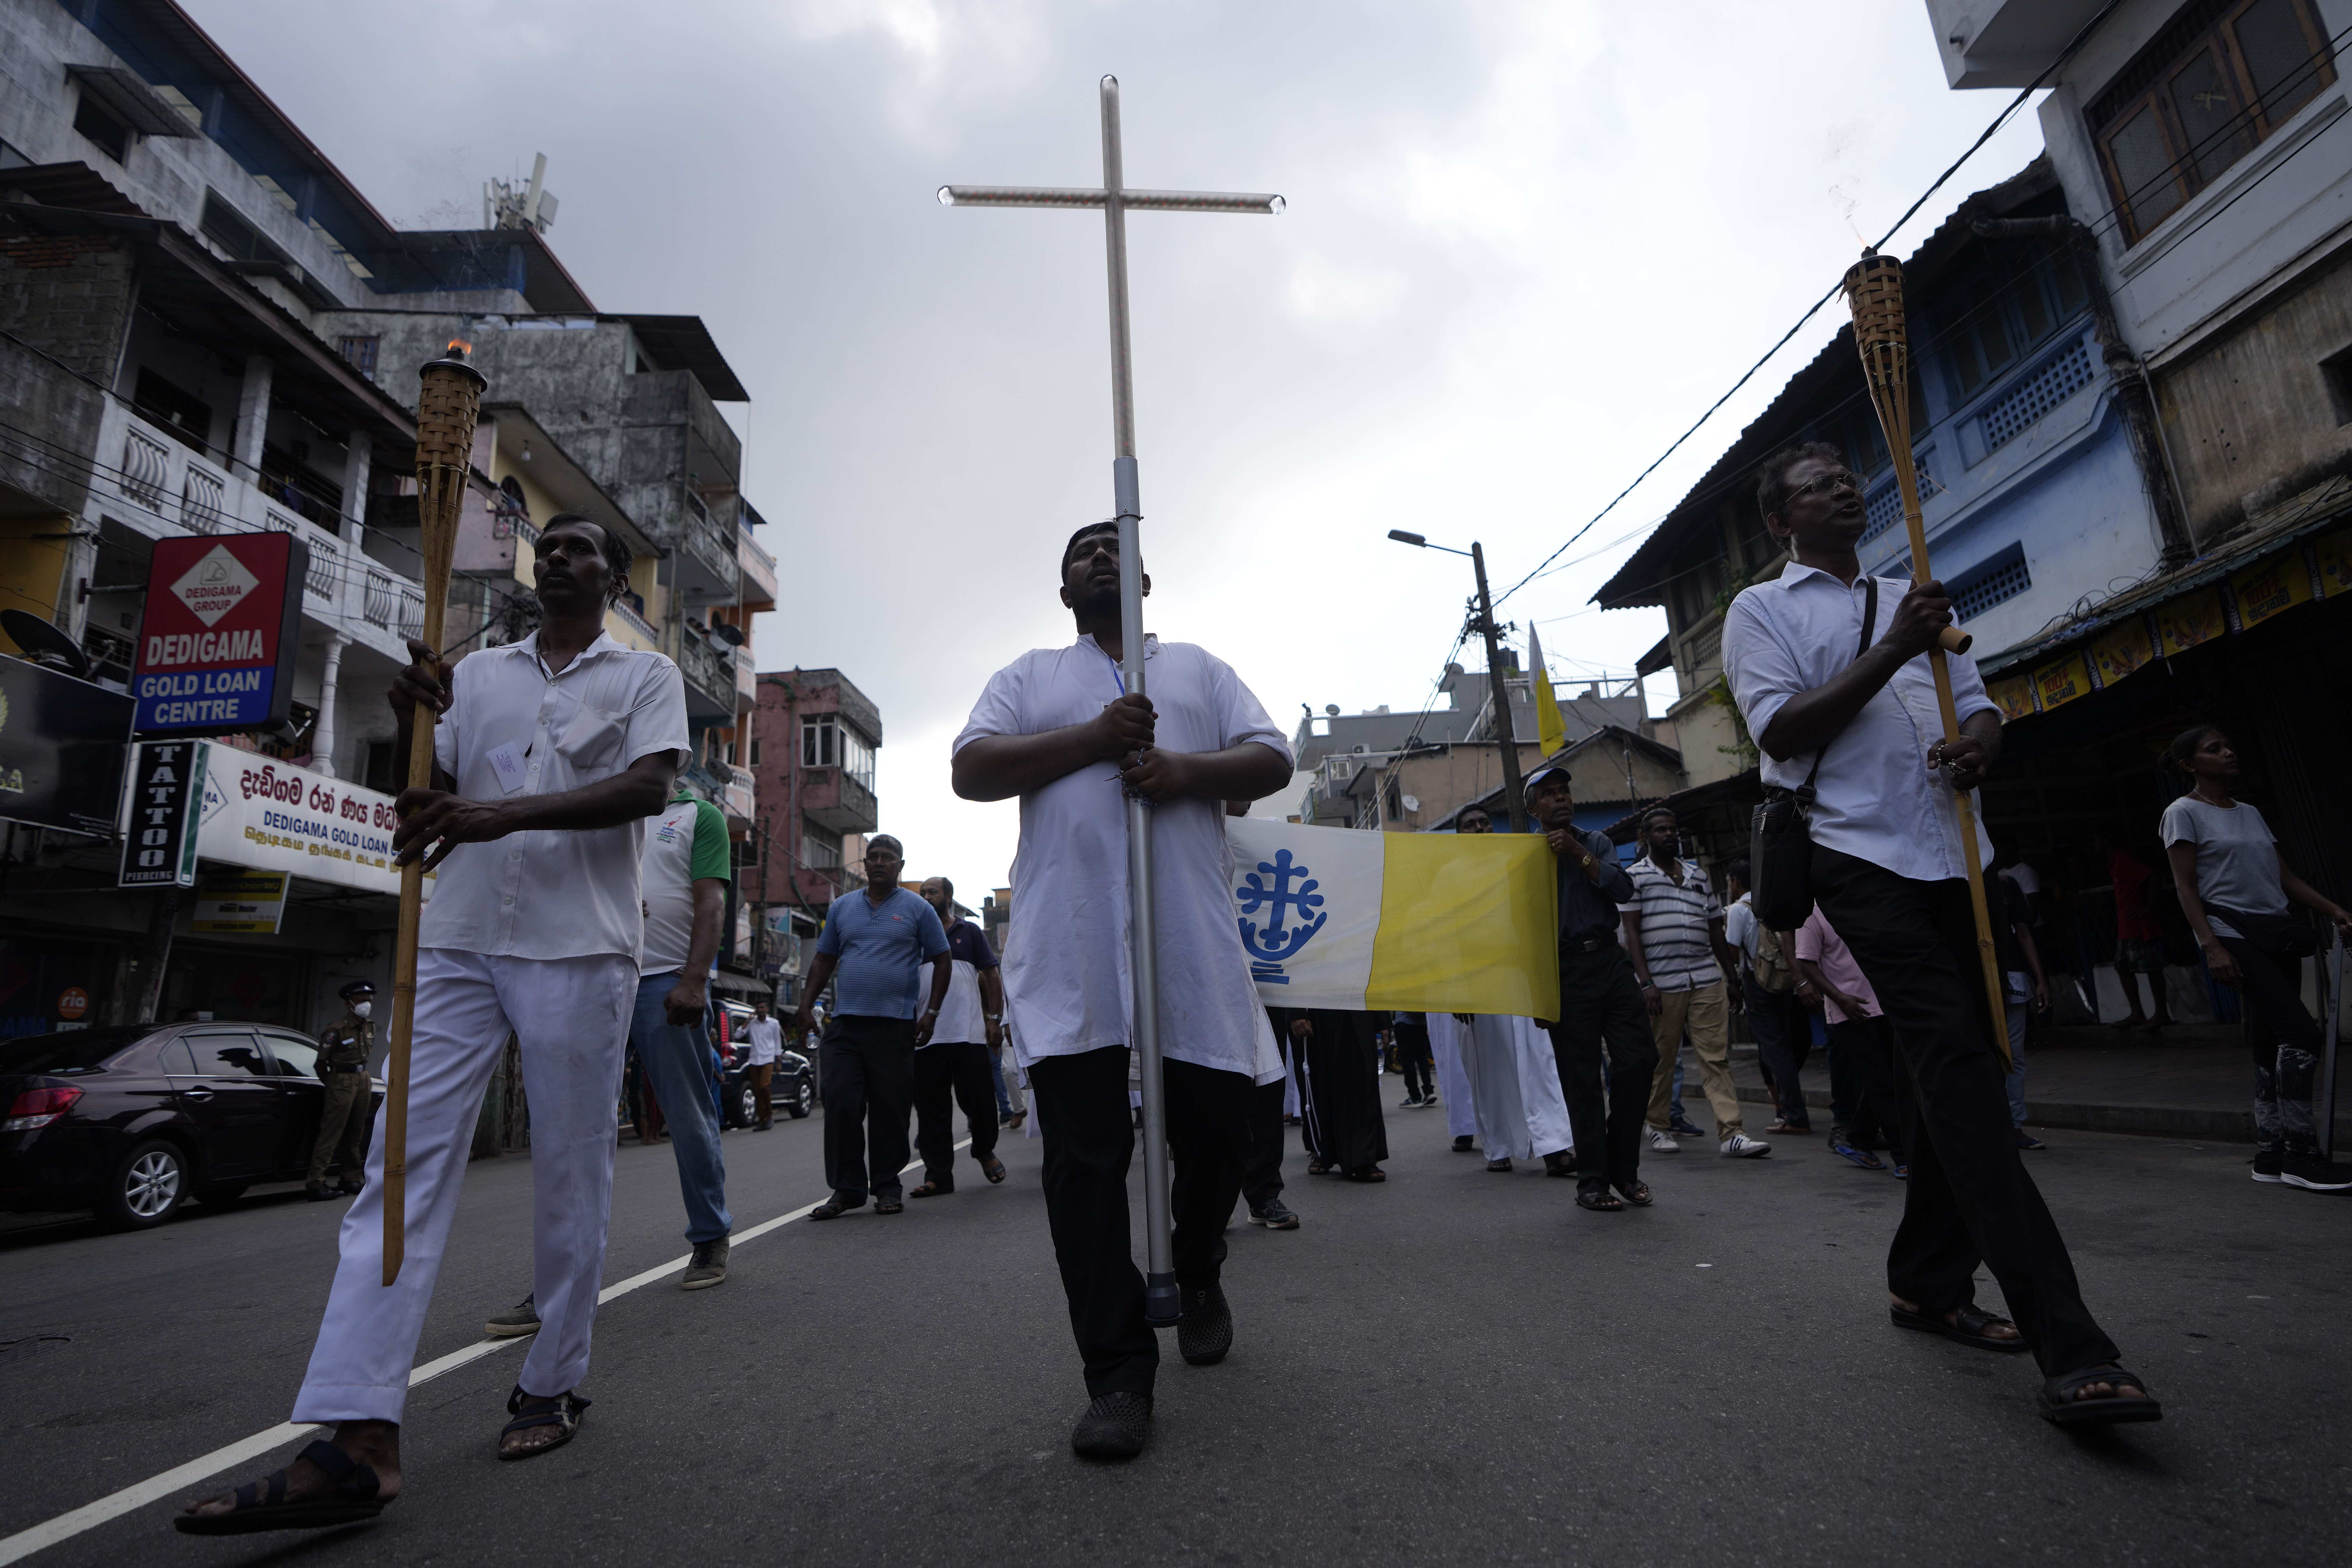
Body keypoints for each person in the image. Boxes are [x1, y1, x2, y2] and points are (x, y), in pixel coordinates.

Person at [181, 515, 689, 1535]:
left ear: (614, 579)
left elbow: (649, 785)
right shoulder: (478, 673)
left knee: (570, 1172)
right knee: (396, 1167)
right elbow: (433, 799)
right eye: (545, 546)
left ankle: (551, 1380)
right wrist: (420, 729)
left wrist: (498, 818)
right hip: (454, 937)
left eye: (579, 548)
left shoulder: (645, 676)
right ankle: (358, 1433)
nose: (555, 557)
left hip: (578, 947)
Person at [1723, 440, 2156, 1426]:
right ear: (1779, 521)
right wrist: (1890, 645)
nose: (1843, 485)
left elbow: (1981, 705)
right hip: (1853, 854)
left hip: (1955, 855)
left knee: (1952, 1068)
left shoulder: (1914, 595)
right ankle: (2071, 1341)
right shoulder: (1765, 611)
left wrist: (1976, 749)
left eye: (1848, 475)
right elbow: (1781, 733)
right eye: (1815, 483)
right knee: (1962, 1066)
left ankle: (1924, 1278)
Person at [951, 520, 1292, 1458]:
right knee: (1085, 1169)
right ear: (1064, 591)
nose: (1099, 557)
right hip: (1075, 952)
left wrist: (1183, 770)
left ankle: (1197, 1263)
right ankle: (1116, 1375)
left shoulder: (1195, 669)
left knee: (1223, 1128)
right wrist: (1096, 739)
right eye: (1080, 552)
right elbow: (972, 768)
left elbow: (1270, 757)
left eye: (1114, 545)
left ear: (1146, 573)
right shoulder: (1028, 677)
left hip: (1189, 945)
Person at [2159, 725, 2352, 1193]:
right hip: (2232, 933)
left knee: (2270, 1041)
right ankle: (2303, 1156)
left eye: (2228, 745)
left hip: (2276, 933)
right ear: (2190, 765)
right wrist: (2212, 946)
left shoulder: (2249, 813)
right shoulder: (2181, 813)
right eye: (2214, 750)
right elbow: (2186, 888)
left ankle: (2271, 1153)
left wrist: (2333, 909)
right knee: (2303, 1033)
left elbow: (2283, 875)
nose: (2229, 753)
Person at [795, 836, 952, 1220]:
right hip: (846, 1024)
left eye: (889, 858)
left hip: (894, 1027)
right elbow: (824, 959)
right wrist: (804, 1006)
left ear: (901, 866)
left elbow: (943, 960)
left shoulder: (918, 908)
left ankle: (886, 1186)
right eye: (874, 857)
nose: (880, 863)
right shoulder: (843, 908)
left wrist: (931, 1013)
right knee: (841, 1103)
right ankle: (847, 1190)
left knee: (890, 1110)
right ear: (865, 864)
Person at [1522, 767, 1652, 1212]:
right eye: (1549, 795)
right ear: (1532, 808)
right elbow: (1519, 930)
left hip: (1610, 965)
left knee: (1638, 1062)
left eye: (1565, 793)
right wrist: (1536, 994)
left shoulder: (1595, 843)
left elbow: (1622, 887)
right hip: (1564, 973)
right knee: (1582, 1083)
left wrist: (1577, 852)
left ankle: (1624, 1168)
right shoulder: (1524, 857)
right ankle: (1593, 1183)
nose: (1561, 800)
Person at [633, 782, 736, 1288]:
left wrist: (694, 978)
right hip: (596, 974)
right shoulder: (601, 810)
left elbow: (711, 901)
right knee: (575, 1127)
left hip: (666, 978)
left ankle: (710, 1235)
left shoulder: (698, 815)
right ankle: (561, 1272)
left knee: (688, 1113)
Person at [1622, 808, 1765, 1159]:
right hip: (1662, 984)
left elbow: (1716, 929)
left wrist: (1731, 977)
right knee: (1662, 1058)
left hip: (1705, 978)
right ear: (1646, 838)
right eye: (1660, 830)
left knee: (1716, 1057)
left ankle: (1732, 1132)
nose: (1670, 835)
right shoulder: (1635, 877)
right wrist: (1645, 983)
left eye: (1673, 829)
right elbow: (1631, 932)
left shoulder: (1698, 875)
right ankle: (1657, 1125)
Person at [910, 875, 1010, 1197]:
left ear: (948, 897)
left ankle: (984, 1149)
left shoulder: (969, 932)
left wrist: (995, 1019)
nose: (926, 896)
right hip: (927, 1038)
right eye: (922, 892)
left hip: (969, 1035)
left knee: (981, 1102)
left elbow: (992, 975)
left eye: (932, 892)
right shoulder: (915, 936)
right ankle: (939, 1175)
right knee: (932, 1110)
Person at [1794, 904, 1907, 1176]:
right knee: (1882, 1083)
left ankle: (1857, 1139)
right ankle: (1904, 1156)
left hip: (1886, 1004)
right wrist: (1841, 999)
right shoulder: (1812, 913)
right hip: (1849, 1011)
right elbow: (1806, 962)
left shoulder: (1862, 899)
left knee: (1886, 1078)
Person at [1724, 860, 1810, 1134]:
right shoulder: (1771, 903)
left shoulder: (1739, 910)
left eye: (1730, 882)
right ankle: (1790, 1108)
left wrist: (1733, 983)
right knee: (1783, 1045)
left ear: (1736, 883)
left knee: (1775, 1051)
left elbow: (1732, 951)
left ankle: (1795, 1116)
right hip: (1784, 981)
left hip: (1757, 983)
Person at [1273, 1008, 1389, 1180]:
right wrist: (1296, 1013)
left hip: (1356, 1003)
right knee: (1317, 1078)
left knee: (1361, 1080)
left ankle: (1364, 1158)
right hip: (1314, 1005)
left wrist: (1382, 1019)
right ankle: (1322, 1151)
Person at [1992, 866, 2050, 1150]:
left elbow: (2024, 932)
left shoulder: (2005, 885)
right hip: (1973, 981)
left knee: (2013, 1055)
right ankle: (1991, 1125)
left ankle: (2014, 1125)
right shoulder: (1950, 882)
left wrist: (2040, 979)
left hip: (2012, 976)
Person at [305, 981, 376, 1201]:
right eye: (362, 1000)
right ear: (349, 1003)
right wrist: (334, 1084)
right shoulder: (336, 1030)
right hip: (342, 1080)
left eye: (369, 1000)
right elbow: (320, 1064)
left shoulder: (369, 1026)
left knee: (356, 1132)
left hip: (363, 1078)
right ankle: (316, 1182)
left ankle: (351, 1178)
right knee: (332, 1132)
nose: (367, 1004)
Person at [1242, 1004, 1301, 1230]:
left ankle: (1263, 1196)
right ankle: (1212, 1201)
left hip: (1266, 989)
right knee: (1212, 1096)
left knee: (1268, 1094)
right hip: (1211, 988)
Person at [745, 1002, 785, 1129]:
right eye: (758, 1008)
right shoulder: (752, 1024)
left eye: (763, 1007)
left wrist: (778, 1061)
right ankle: (762, 1119)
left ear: (767, 1009)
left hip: (768, 1059)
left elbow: (778, 1042)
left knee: (764, 1086)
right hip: (754, 1059)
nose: (760, 1010)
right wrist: (748, 1020)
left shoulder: (774, 1023)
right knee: (757, 1090)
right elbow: (738, 1034)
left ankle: (769, 1115)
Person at [1393, 1009, 1436, 1108]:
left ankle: (1415, 1097)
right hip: (1421, 1023)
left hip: (1404, 1023)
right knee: (1422, 1057)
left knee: (1408, 1060)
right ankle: (1429, 1091)